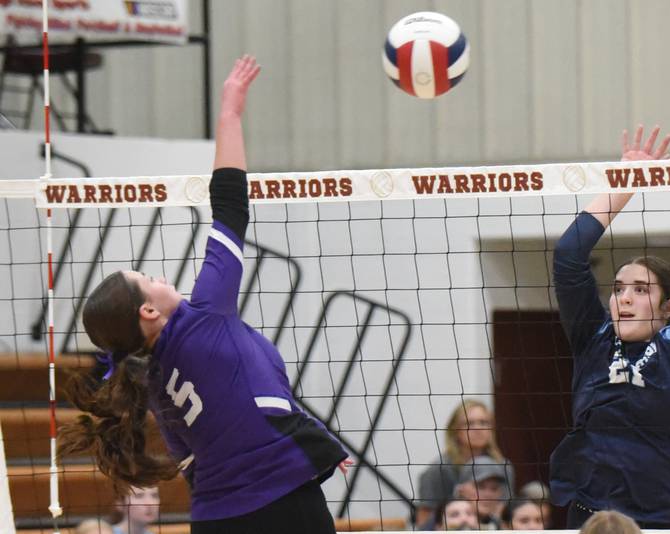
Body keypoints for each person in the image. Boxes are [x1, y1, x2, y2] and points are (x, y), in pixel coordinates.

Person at [57, 55, 350, 534]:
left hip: (216, 517)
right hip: (279, 498)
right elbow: (231, 203)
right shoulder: (205, 314)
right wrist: (230, 114)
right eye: (148, 278)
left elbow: (195, 458)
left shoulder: (149, 380)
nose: (160, 277)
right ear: (149, 310)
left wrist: (302, 445)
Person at [549, 103, 670, 529]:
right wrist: (625, 181)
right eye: (618, 289)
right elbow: (568, 256)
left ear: (669, 308)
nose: (624, 298)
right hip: (596, 520)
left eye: (641, 290)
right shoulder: (594, 337)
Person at [415, 399, 514, 527]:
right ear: (455, 431)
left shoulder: (504, 466)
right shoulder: (439, 469)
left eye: (483, 423)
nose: (478, 428)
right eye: (469, 423)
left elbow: (506, 516)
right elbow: (424, 522)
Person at [453, 455, 513, 530]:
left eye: (494, 488)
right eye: (480, 487)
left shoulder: (506, 525)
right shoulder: (448, 524)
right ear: (461, 489)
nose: (488, 494)